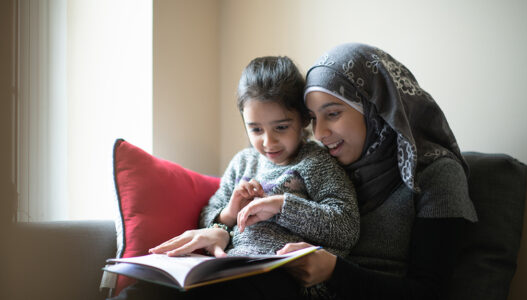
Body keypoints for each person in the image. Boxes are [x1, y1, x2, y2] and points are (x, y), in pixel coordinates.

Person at [112, 56, 359, 300]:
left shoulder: (317, 162)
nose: (268, 141)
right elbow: (208, 214)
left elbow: (346, 226)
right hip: (229, 268)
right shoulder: (243, 162)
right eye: (256, 129)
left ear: (304, 118)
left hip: (283, 275)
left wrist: (281, 206)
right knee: (142, 291)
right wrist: (229, 213)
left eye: (281, 128)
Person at [276, 43, 478, 299]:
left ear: (376, 108)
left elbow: (430, 292)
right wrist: (222, 229)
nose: (319, 133)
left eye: (333, 113)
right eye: (314, 118)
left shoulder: (436, 175)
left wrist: (334, 272)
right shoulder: (324, 167)